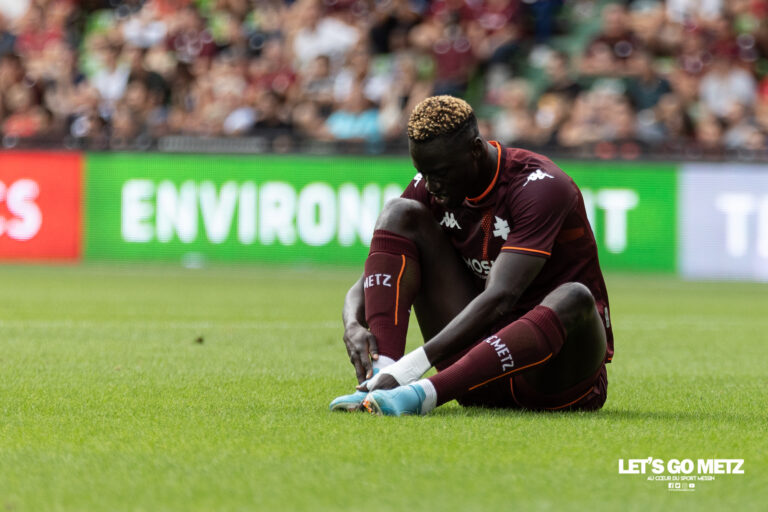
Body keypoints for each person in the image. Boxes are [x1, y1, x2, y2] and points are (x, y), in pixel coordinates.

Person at [329, 95, 613, 416]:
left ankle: (418, 394)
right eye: (422, 172)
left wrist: (412, 367)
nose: (432, 185)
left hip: (551, 375)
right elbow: (381, 267)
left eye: (441, 172)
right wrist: (352, 322)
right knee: (399, 211)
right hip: (474, 370)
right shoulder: (430, 184)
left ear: (475, 150)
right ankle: (379, 382)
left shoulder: (540, 186)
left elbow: (501, 297)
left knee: (573, 296)